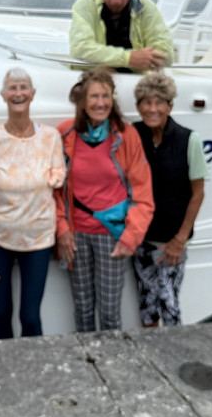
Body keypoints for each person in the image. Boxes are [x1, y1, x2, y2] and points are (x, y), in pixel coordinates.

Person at [56, 68, 154, 332]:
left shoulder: (125, 135)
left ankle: (113, 365)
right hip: (76, 236)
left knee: (110, 312)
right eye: (94, 96)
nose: (101, 103)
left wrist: (131, 237)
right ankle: (90, 364)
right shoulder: (66, 134)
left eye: (106, 96)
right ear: (82, 101)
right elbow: (55, 190)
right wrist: (62, 230)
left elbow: (143, 194)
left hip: (112, 235)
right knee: (83, 308)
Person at [0, 68, 66, 339]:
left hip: (38, 240)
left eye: (23, 87)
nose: (18, 93)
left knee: (30, 316)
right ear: (3, 95)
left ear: (32, 94)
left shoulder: (50, 137)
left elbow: (58, 171)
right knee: (0, 313)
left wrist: (57, 176)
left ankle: (33, 371)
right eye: (12, 88)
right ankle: (4, 370)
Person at [132, 72, 207, 327]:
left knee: (170, 307)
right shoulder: (134, 135)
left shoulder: (189, 139)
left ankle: (173, 359)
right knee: (147, 307)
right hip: (142, 241)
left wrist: (180, 239)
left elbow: (198, 193)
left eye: (159, 102)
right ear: (138, 106)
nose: (152, 109)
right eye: (146, 102)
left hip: (171, 243)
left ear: (170, 106)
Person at [68, 0, 173, 72]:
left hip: (136, 79)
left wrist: (148, 58)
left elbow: (166, 54)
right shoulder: (84, 5)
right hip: (94, 78)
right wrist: (128, 58)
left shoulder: (146, 8)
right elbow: (80, 49)